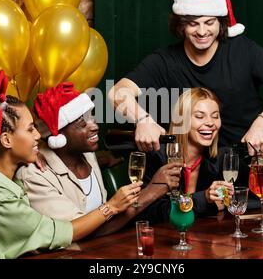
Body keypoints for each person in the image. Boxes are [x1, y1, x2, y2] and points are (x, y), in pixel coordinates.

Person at [0, 72, 138, 259]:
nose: (38, 135)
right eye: (30, 130)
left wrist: (36, 151)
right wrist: (112, 207)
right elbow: (59, 232)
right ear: (6, 140)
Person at [108, 0, 263, 157]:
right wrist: (143, 120)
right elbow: (117, 92)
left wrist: (262, 124)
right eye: (193, 24)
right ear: (181, 26)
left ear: (221, 23)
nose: (202, 31)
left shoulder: (243, 50)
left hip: (259, 155)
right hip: (205, 168)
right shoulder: (165, 61)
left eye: (209, 22)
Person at [17, 82, 181, 236]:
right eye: (83, 124)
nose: (94, 125)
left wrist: (106, 158)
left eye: (92, 117)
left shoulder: (87, 153)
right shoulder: (36, 175)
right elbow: (79, 232)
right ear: (58, 137)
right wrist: (151, 192)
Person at [140, 87, 233, 223]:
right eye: (199, 116)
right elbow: (148, 213)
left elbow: (250, 197)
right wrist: (204, 200)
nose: (210, 123)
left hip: (201, 239)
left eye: (215, 116)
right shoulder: (157, 156)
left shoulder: (220, 158)